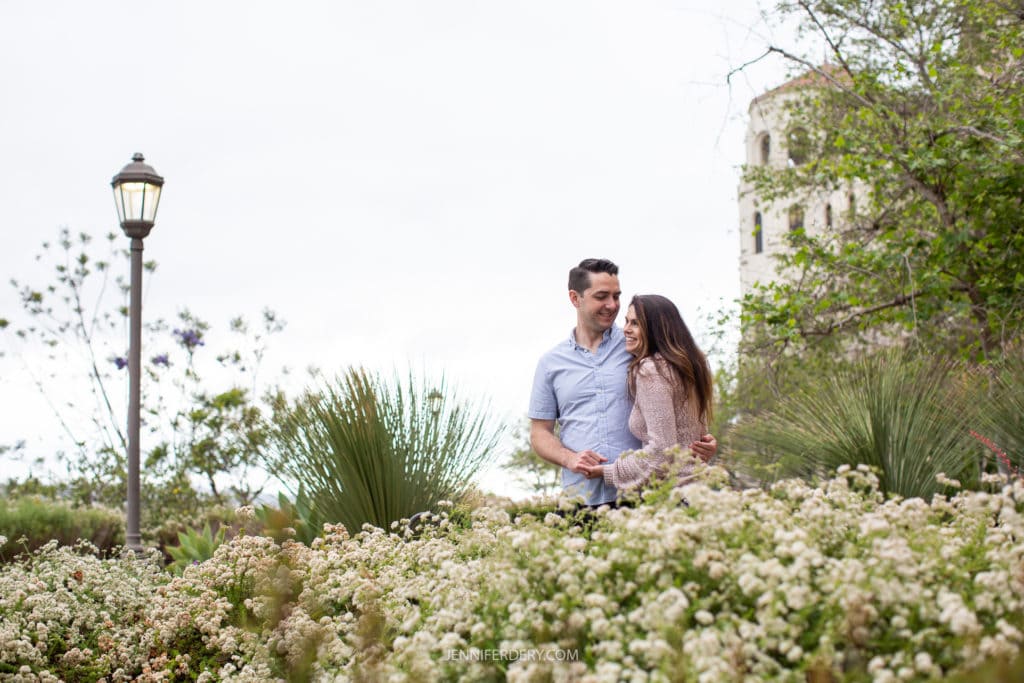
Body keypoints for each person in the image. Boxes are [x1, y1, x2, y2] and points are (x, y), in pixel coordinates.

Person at [528, 258, 716, 506]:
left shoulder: (640, 349)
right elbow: (540, 432)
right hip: (581, 497)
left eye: (616, 296)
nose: (612, 305)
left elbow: (678, 397)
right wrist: (569, 459)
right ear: (575, 298)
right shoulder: (551, 363)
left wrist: (696, 441)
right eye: (602, 296)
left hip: (642, 497)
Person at [577, 294, 714, 494]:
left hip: (678, 496)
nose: (626, 329)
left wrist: (606, 471)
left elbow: (661, 452)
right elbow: (694, 440)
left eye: (635, 323)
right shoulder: (687, 367)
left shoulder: (651, 369)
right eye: (626, 321)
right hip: (703, 490)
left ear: (655, 329)